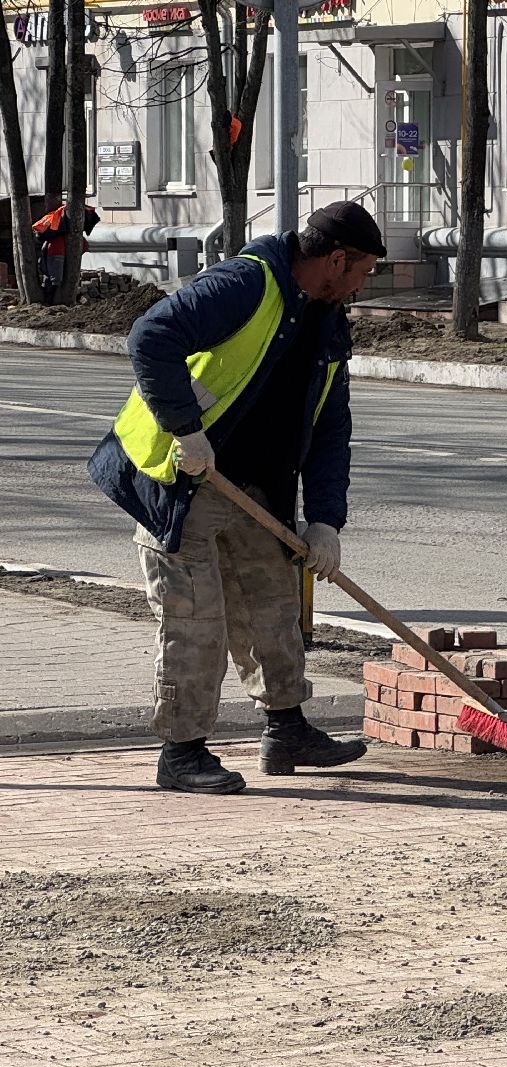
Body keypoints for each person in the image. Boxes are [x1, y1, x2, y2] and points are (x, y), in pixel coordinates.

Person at [86, 202, 386, 795]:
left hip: (255, 488)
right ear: (335, 259)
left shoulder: (328, 319)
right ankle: (182, 753)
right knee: (197, 621)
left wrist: (326, 520)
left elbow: (331, 425)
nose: (362, 285)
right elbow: (152, 336)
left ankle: (287, 729)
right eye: (364, 271)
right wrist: (184, 428)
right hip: (182, 478)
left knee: (273, 606)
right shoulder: (246, 284)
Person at [32, 200, 100, 302]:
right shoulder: (65, 232)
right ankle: (50, 301)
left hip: (52, 251)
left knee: (50, 278)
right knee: (54, 279)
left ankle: (49, 299)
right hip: (56, 253)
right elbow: (85, 246)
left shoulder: (59, 223)